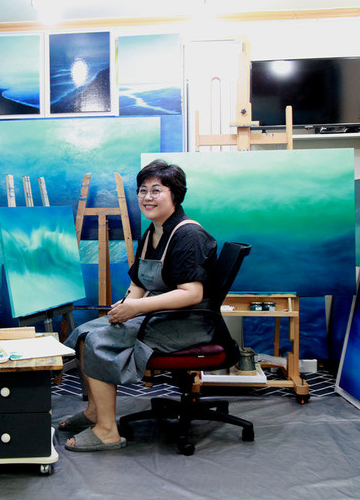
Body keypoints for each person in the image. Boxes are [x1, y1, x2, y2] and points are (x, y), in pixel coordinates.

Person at [60, 159, 238, 452]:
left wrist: (136, 309)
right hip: (159, 316)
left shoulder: (188, 235)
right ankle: (94, 413)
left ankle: (108, 431)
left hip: (186, 323)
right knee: (83, 333)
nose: (147, 197)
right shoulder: (152, 232)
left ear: (175, 195)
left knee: (98, 341)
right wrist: (125, 304)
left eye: (156, 190)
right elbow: (139, 282)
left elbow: (192, 294)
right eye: (143, 190)